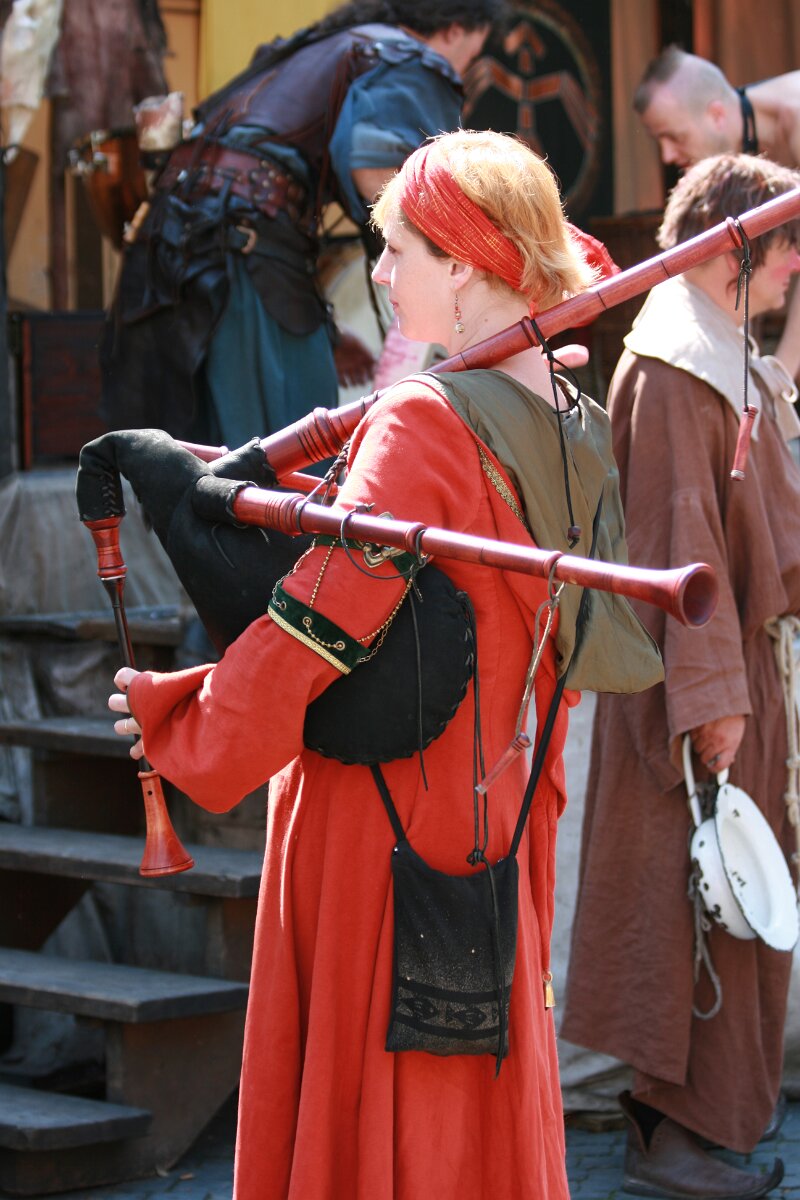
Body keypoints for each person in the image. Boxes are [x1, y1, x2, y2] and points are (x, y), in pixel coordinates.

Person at [105, 128, 661, 1199]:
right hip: (502, 800)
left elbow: (317, 623)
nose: (381, 272)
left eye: (399, 248)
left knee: (374, 1082)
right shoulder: (568, 409)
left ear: (464, 263)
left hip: (385, 811)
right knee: (471, 1084)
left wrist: (187, 722)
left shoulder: (424, 416)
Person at [561, 153, 800, 1200]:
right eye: (785, 245)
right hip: (691, 690)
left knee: (733, 904)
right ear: (735, 244)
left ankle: (702, 1129)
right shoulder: (669, 367)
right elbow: (678, 546)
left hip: (734, 673)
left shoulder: (715, 348)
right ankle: (667, 1136)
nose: (795, 265)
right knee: (688, 904)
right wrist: (712, 704)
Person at [99, 0, 501, 447]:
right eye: (472, 54)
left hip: (169, 250)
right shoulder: (407, 57)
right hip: (238, 256)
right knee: (290, 457)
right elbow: (377, 170)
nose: (464, 68)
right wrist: (456, 261)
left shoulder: (316, 48)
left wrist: (326, 332)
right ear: (454, 30)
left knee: (200, 459)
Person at [633, 45, 800, 379]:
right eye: (659, 140)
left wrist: (779, 376)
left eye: (675, 137)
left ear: (717, 115)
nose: (667, 156)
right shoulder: (741, 135)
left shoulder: (794, 116)